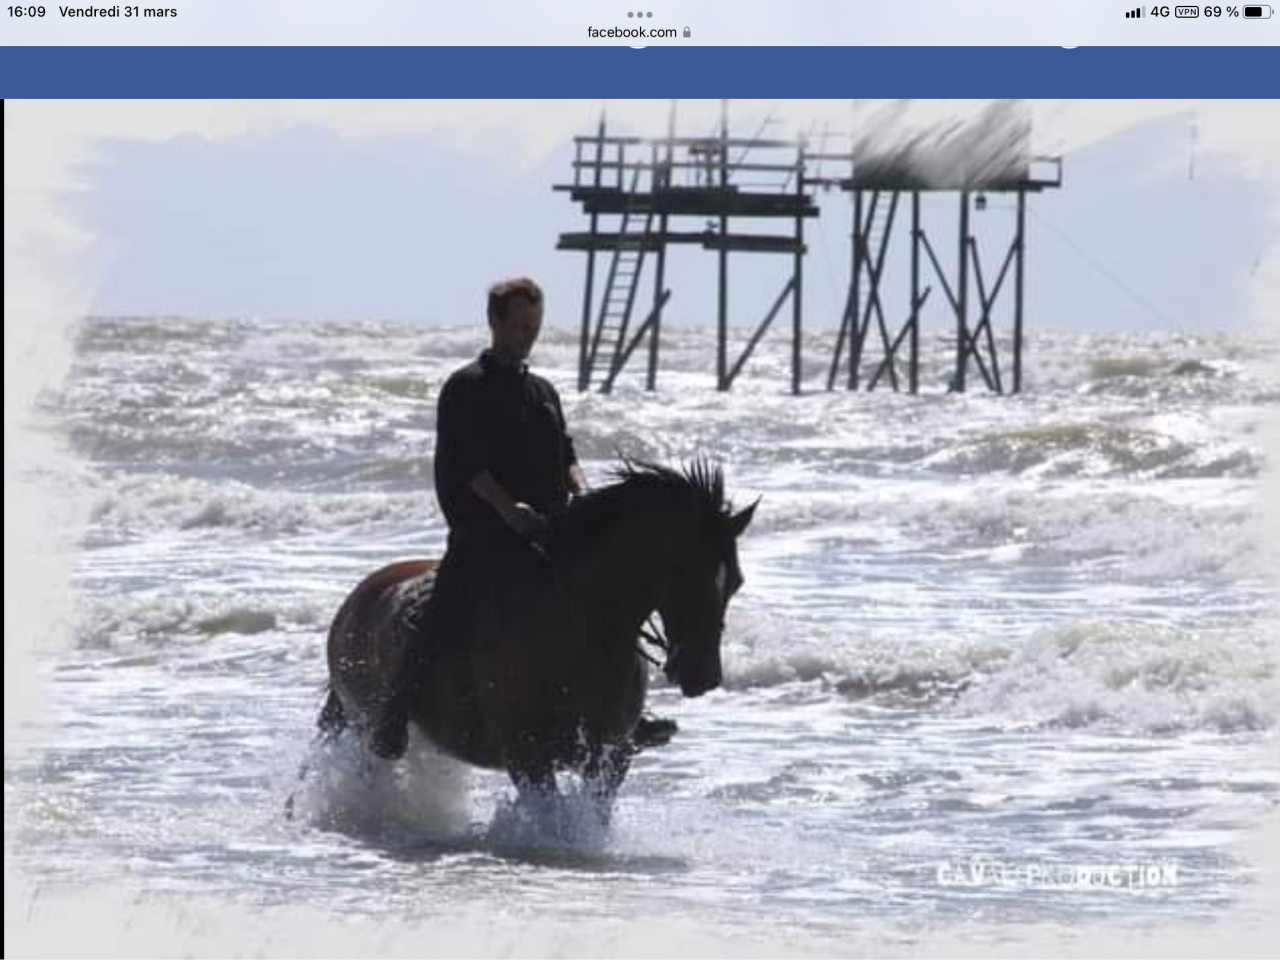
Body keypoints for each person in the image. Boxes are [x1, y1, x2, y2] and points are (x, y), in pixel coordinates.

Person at [369, 277, 674, 759]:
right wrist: (510, 511)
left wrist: (581, 487)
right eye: (518, 327)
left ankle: (623, 713)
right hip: (484, 535)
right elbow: (467, 465)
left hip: (550, 530)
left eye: (534, 327)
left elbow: (567, 452)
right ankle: (394, 710)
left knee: (606, 598)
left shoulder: (544, 391)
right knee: (442, 608)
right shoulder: (466, 387)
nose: (527, 336)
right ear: (494, 322)